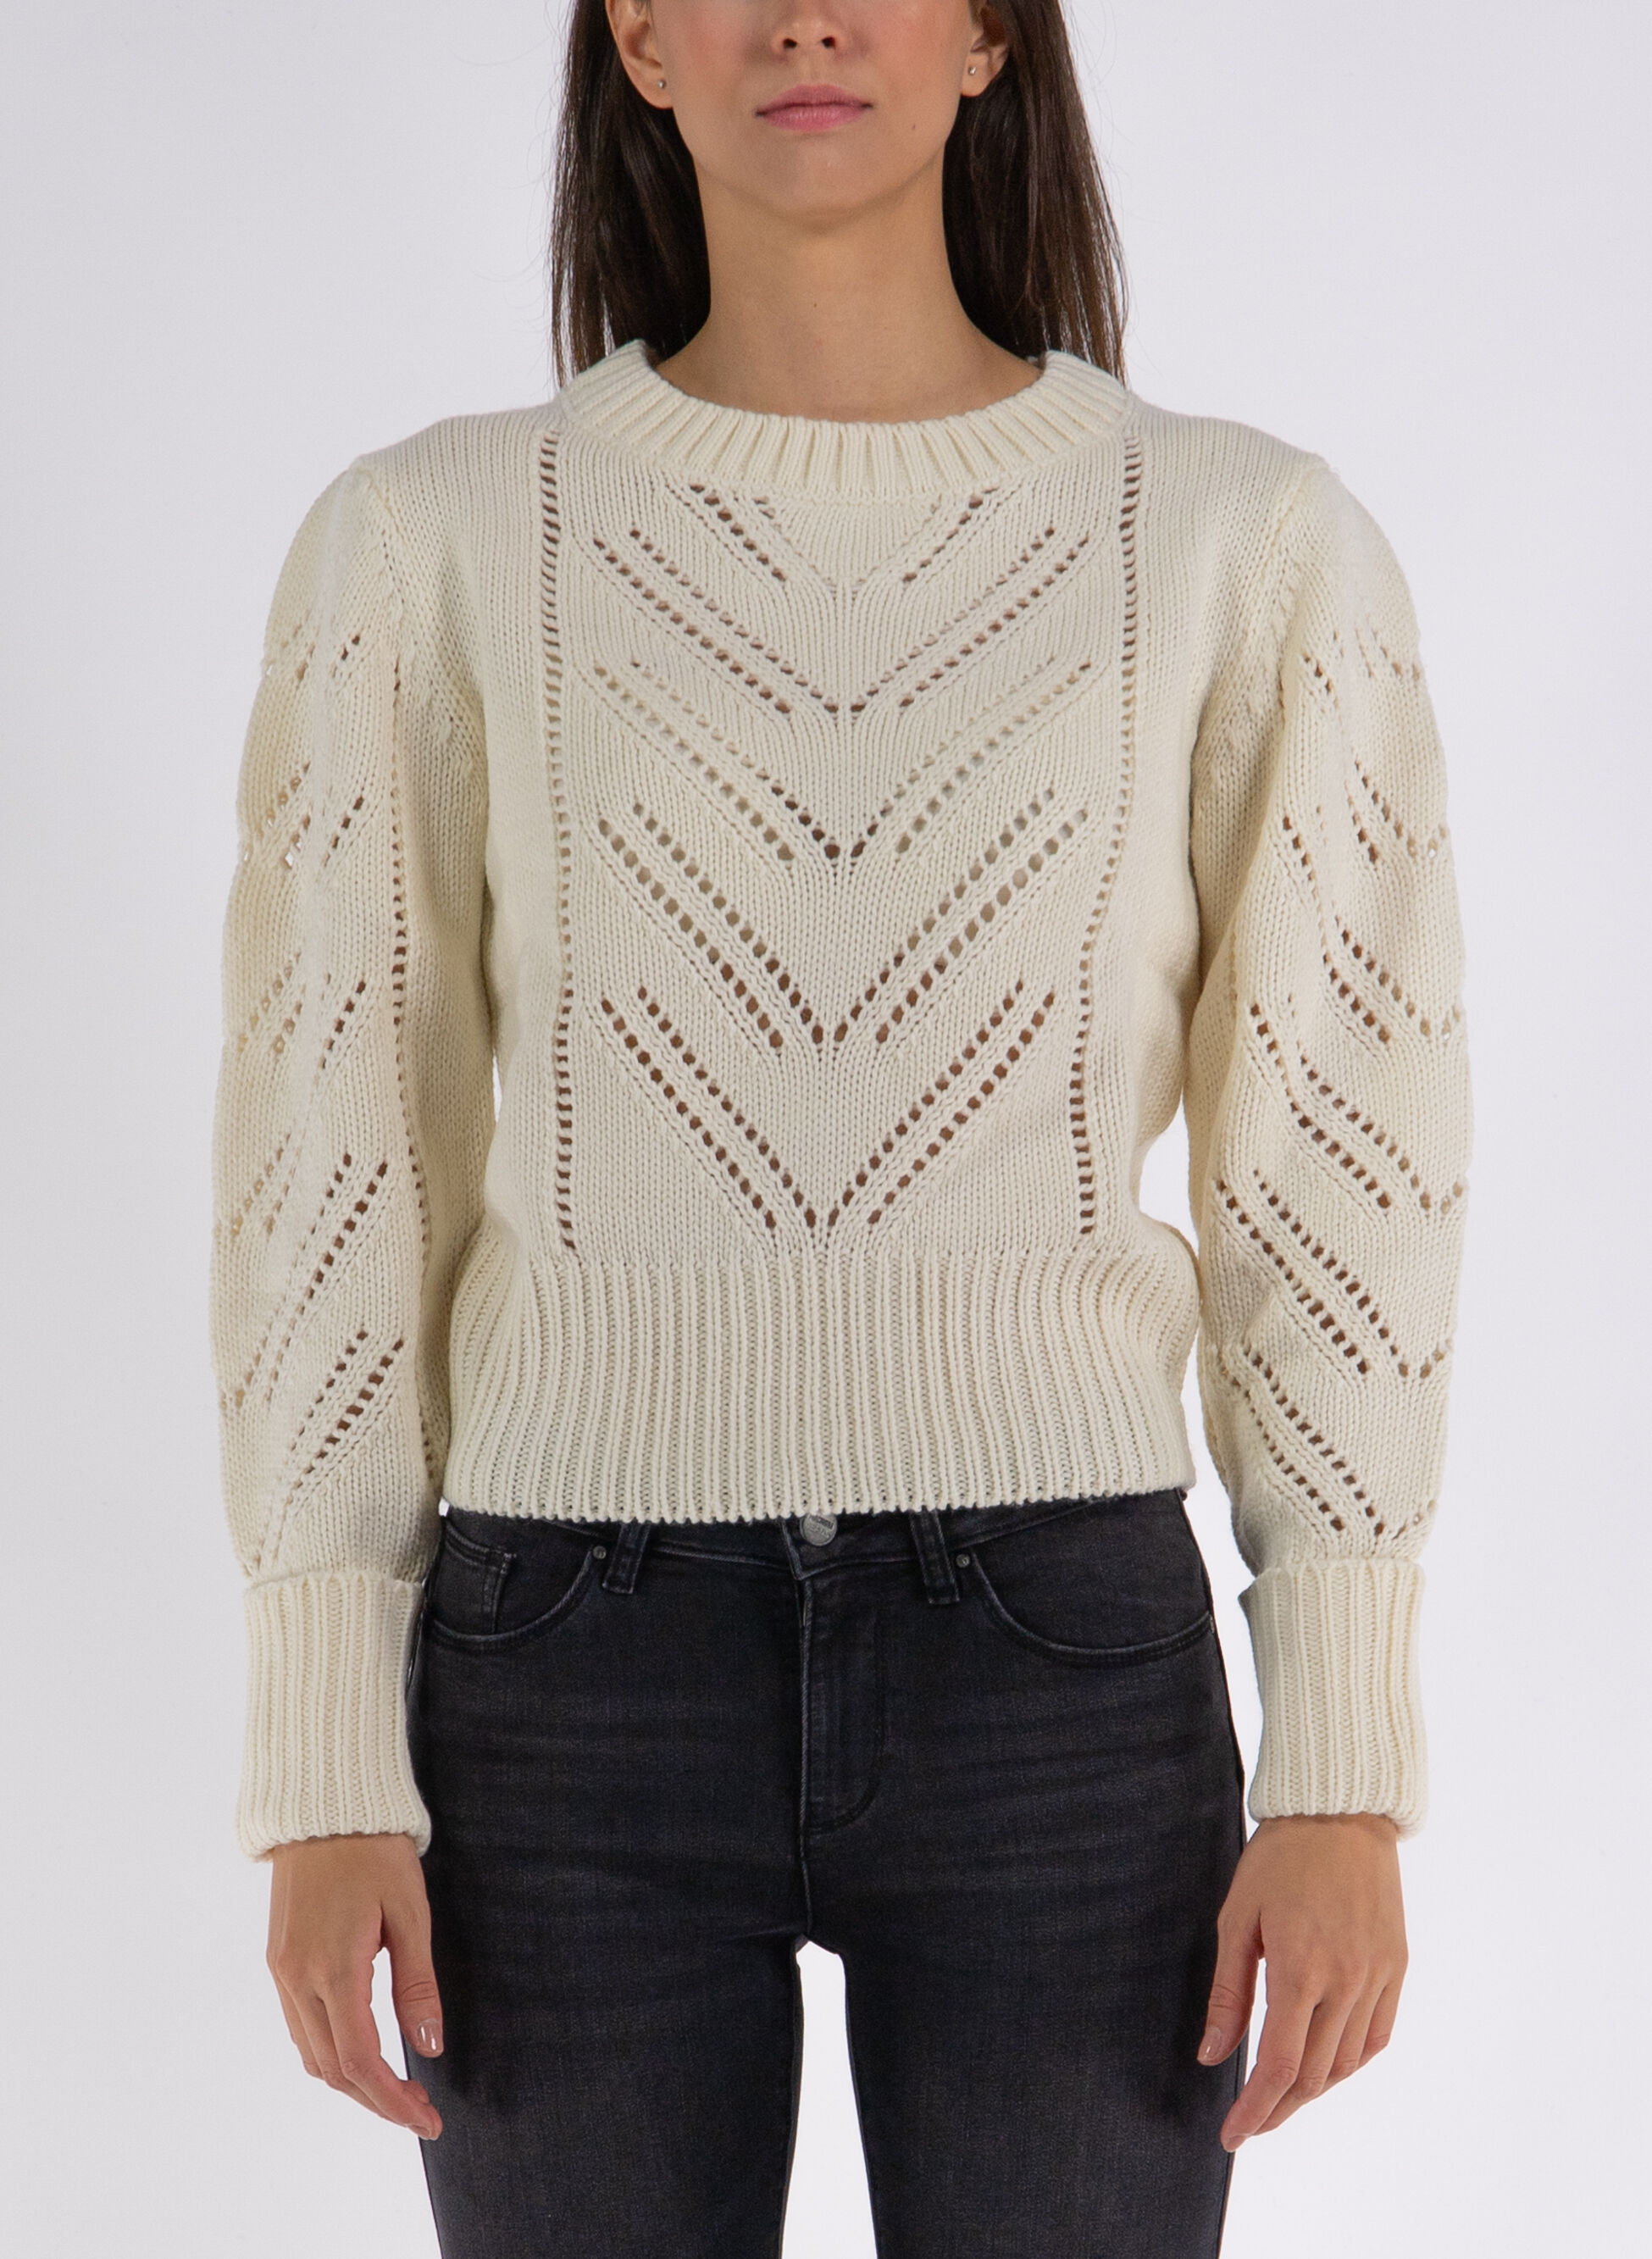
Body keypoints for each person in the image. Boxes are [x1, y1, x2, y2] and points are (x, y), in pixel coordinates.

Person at [209, 3, 1471, 2252]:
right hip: (563, 1671)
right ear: (640, 35)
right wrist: (324, 1754)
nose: (807, 13)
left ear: (987, 33)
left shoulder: (1240, 543)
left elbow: (1334, 1170)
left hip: (1060, 1666)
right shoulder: (429, 544)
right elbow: (330, 1150)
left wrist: (1345, 1764)